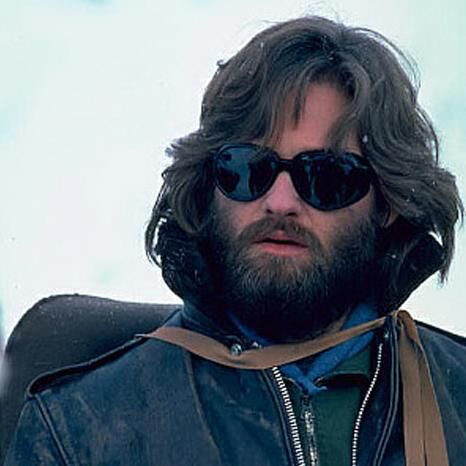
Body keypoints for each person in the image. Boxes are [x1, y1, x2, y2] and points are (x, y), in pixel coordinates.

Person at [4, 15, 465, 466]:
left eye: (325, 176)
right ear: (209, 184)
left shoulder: (457, 401)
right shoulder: (79, 435)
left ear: (387, 203)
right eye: (247, 168)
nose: (280, 202)